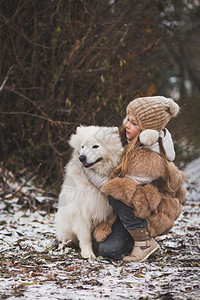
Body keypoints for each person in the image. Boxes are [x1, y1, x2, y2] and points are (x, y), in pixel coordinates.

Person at [85, 96, 186, 262]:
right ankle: (133, 237)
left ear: (148, 132)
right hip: (131, 213)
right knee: (106, 250)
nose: (127, 125)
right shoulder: (131, 140)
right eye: (128, 119)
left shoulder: (150, 159)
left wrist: (89, 171)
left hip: (148, 215)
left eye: (133, 123)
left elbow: (115, 188)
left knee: (117, 193)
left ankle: (143, 241)